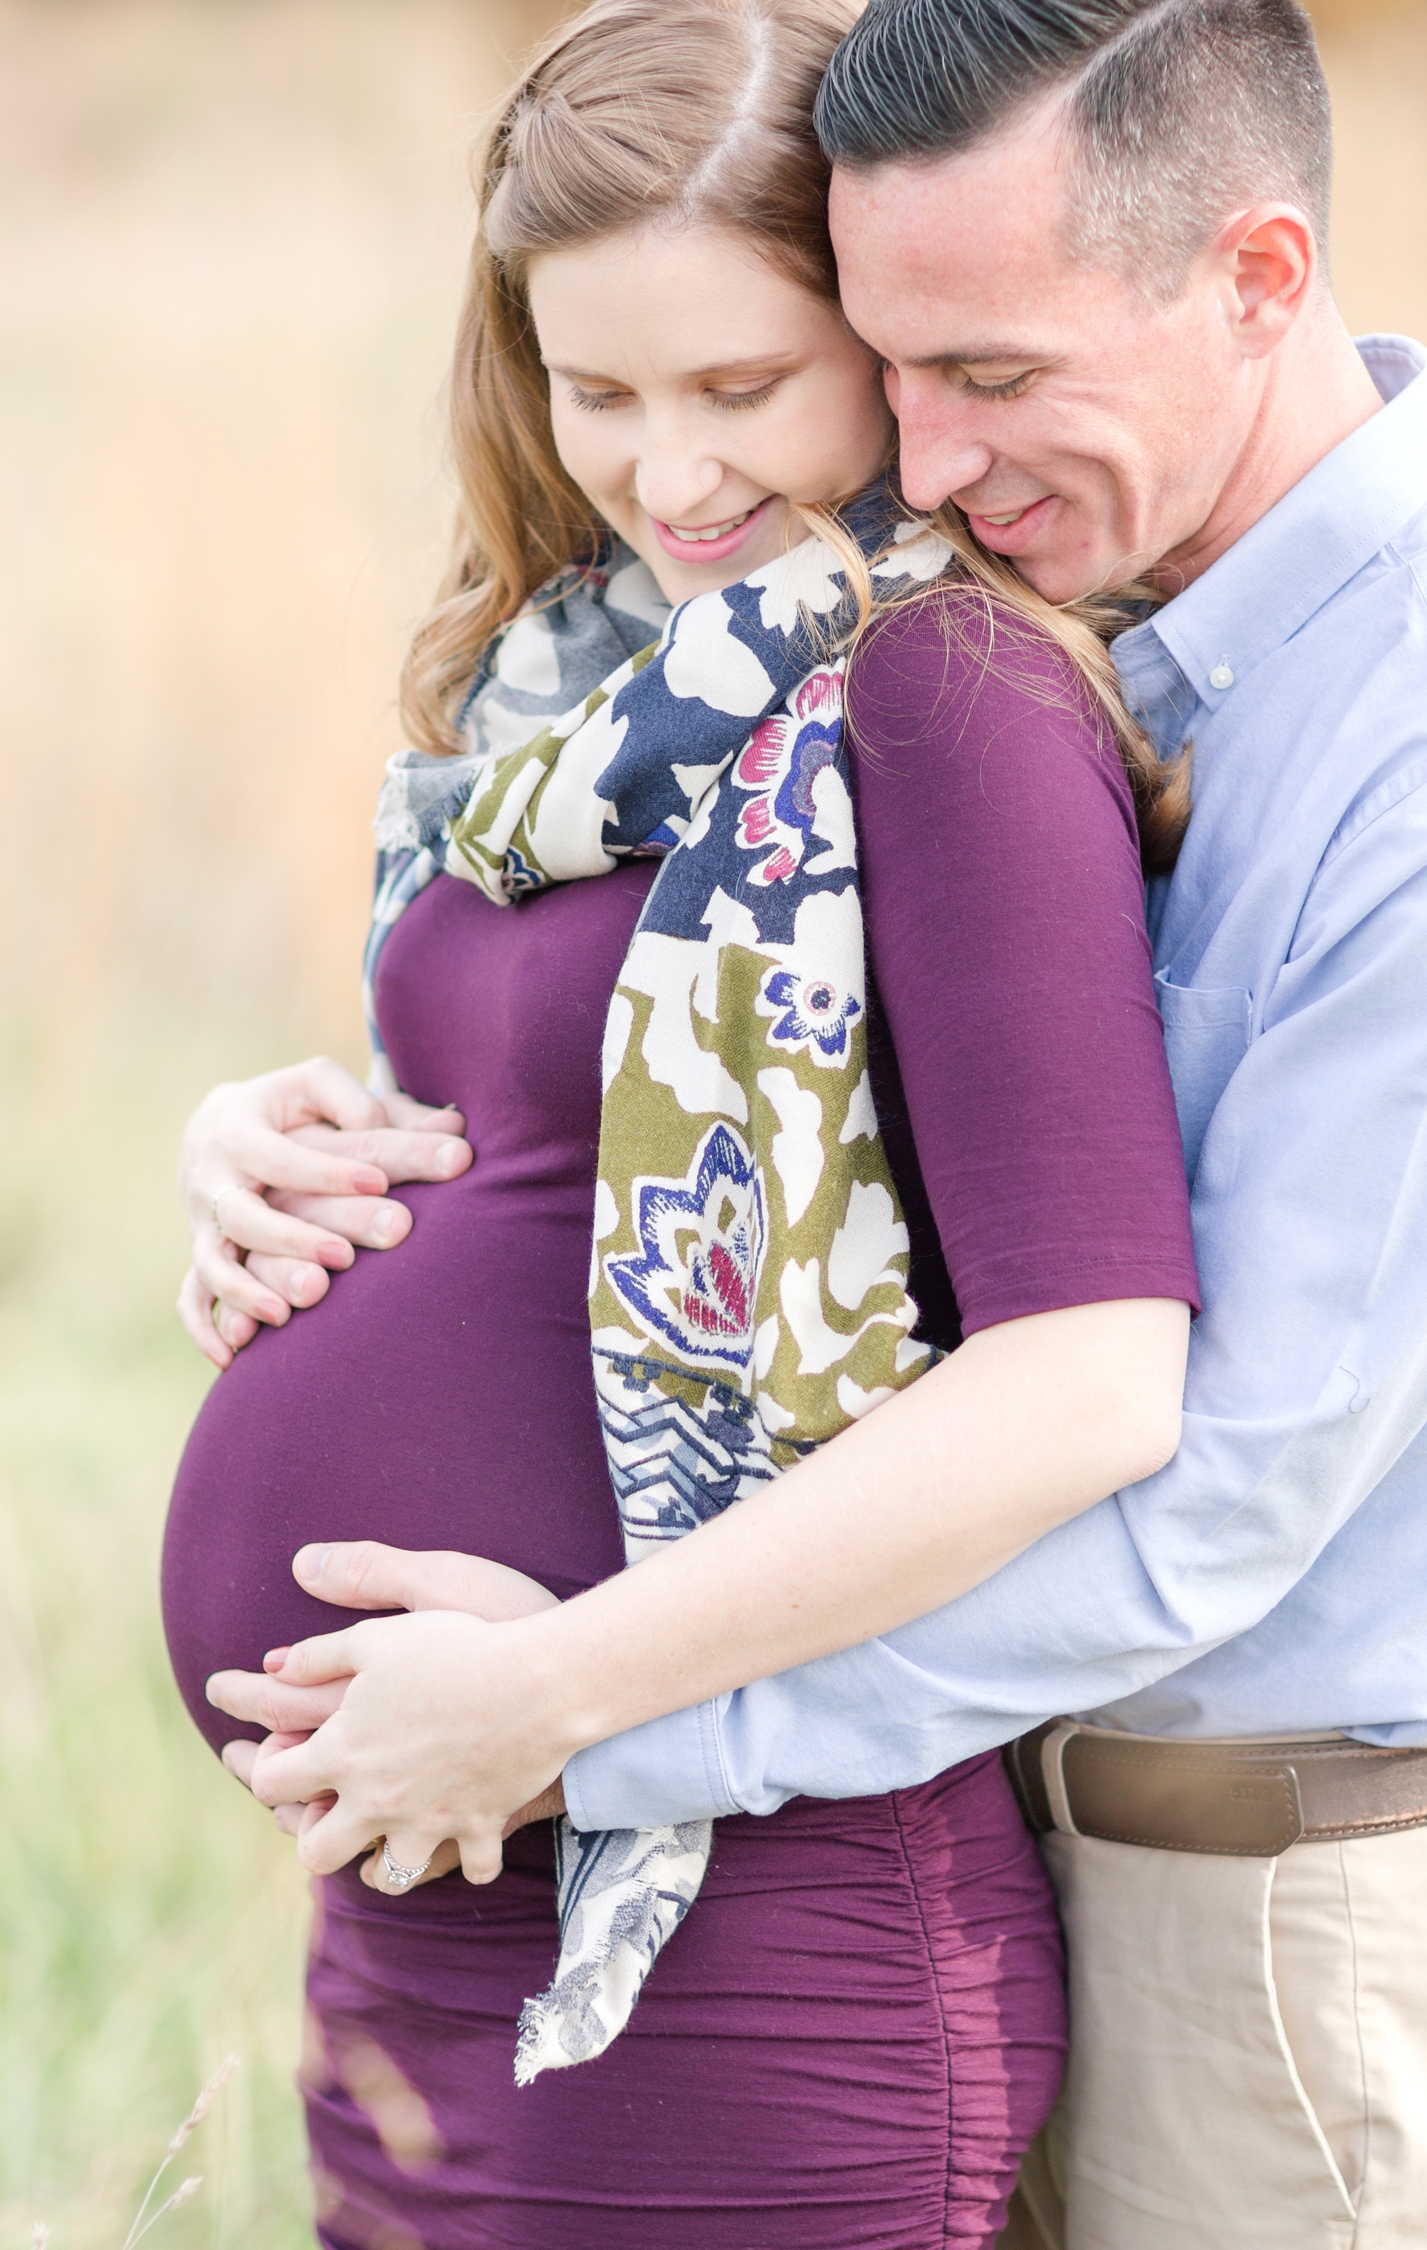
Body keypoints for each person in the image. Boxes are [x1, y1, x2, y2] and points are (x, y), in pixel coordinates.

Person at [251, 0, 1427, 2242]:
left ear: (1261, 280)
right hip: (971, 1824)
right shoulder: (1087, 606)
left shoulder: (1386, 726)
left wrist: (576, 1716)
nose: (926, 453)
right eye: (886, 366)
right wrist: (298, 1149)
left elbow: (1212, 1488)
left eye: (990, 373)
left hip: (1271, 1917)